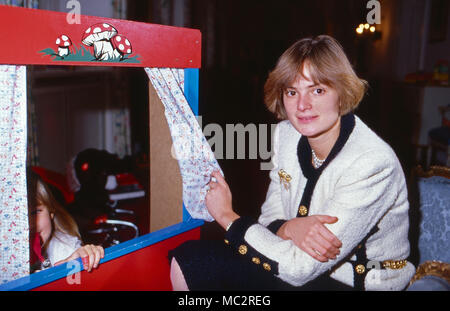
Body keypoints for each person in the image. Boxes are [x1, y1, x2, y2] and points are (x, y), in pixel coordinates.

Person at [169, 35, 416, 291]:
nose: (302, 105)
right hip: (296, 259)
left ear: (341, 94)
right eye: (292, 91)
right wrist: (289, 227)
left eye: (317, 90)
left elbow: (299, 270)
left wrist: (226, 216)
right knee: (191, 260)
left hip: (357, 282)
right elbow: (269, 220)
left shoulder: (372, 163)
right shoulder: (285, 135)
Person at [27, 169, 104, 273]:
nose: (29, 224)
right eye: (21, 216)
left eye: (35, 212)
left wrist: (87, 257)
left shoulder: (65, 249)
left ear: (50, 214)